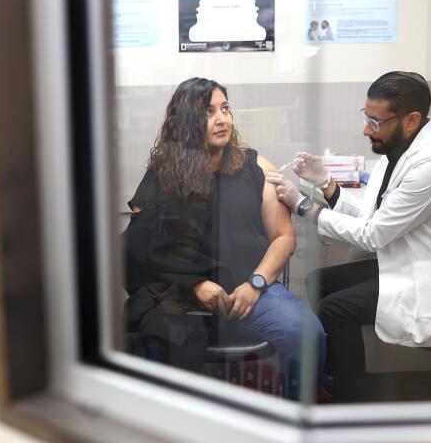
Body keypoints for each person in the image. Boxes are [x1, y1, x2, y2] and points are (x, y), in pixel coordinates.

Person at [266, 71, 431, 402]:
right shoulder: (401, 152)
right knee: (319, 281)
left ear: (411, 120)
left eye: (376, 121)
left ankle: (351, 400)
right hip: (407, 262)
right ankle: (340, 377)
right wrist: (327, 184)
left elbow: (374, 235)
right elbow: (374, 216)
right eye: (366, 117)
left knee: (335, 309)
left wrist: (305, 207)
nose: (366, 129)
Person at [123, 77, 326, 396]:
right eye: (208, 111)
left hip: (250, 287)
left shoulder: (256, 167)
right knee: (157, 338)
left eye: (226, 108)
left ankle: (297, 418)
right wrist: (194, 284)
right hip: (183, 289)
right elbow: (141, 243)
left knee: (307, 335)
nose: (222, 119)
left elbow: (284, 237)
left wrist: (256, 284)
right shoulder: (164, 172)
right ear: (188, 122)